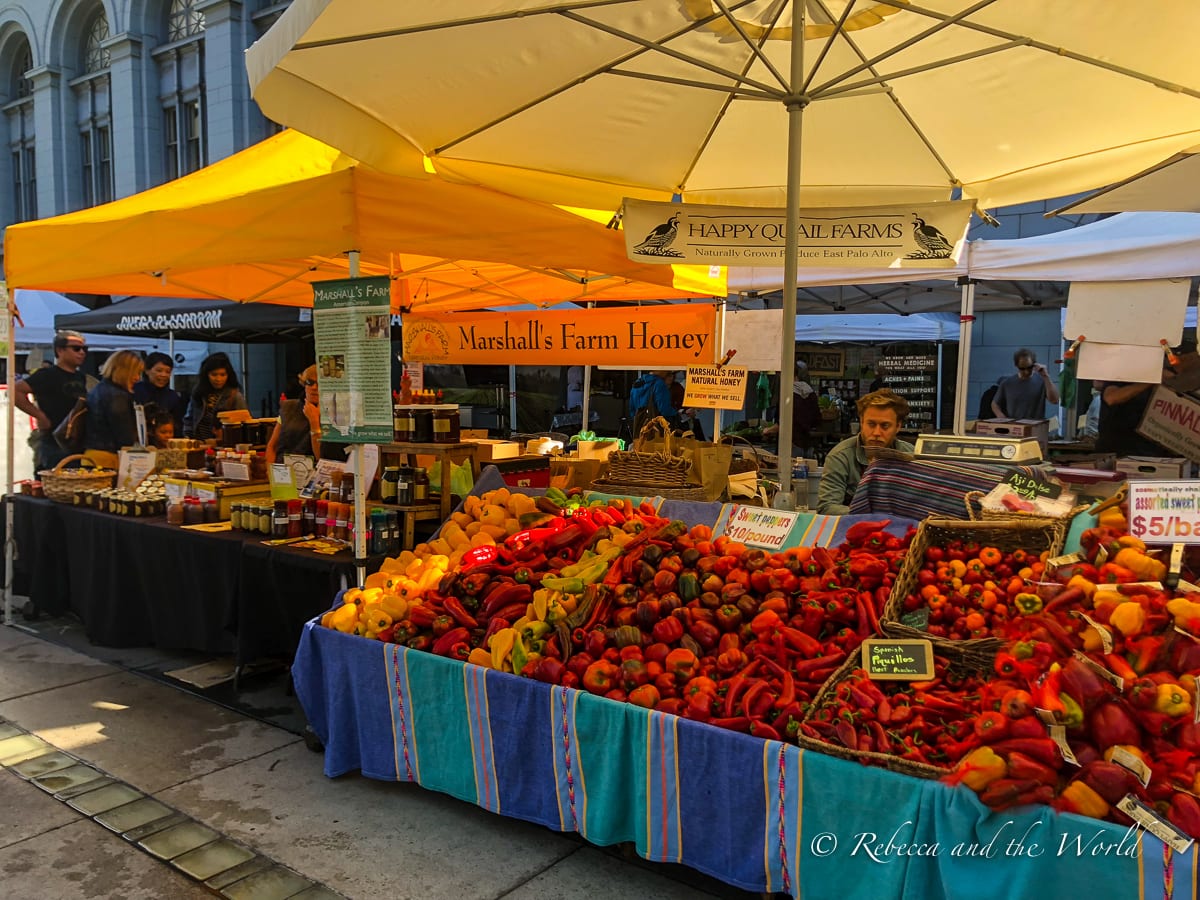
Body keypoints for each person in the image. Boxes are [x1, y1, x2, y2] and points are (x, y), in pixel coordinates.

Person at [816, 389, 914, 516]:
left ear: (898, 426)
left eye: (885, 426)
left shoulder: (911, 456)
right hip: (852, 530)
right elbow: (826, 508)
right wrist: (873, 516)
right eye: (871, 424)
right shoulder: (840, 456)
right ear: (861, 422)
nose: (877, 433)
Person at [1095, 340, 1200, 456]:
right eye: (1192, 358)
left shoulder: (1178, 380)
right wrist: (1154, 379)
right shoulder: (1125, 375)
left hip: (1156, 452)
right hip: (1119, 451)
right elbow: (1112, 398)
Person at [14, 330, 89, 471]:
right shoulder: (47, 375)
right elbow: (16, 391)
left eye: (84, 349)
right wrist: (39, 416)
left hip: (75, 441)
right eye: (76, 349)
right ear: (60, 350)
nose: (82, 353)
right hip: (53, 441)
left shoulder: (80, 377)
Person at [83, 350, 145, 468]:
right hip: (108, 459)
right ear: (124, 371)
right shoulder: (118, 396)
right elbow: (124, 436)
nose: (137, 378)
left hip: (91, 455)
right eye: (135, 373)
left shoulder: (98, 389)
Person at [266, 365, 325, 464]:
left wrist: (314, 422)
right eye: (309, 382)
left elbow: (321, 457)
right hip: (283, 471)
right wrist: (270, 471)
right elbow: (272, 446)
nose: (314, 387)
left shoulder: (335, 414)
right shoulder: (288, 407)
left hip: (313, 473)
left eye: (320, 383)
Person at [184, 351, 247, 441]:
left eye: (223, 375)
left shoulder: (235, 396)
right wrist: (188, 438)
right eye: (214, 375)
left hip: (224, 445)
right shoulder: (199, 392)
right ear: (207, 375)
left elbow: (244, 423)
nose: (218, 379)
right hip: (199, 444)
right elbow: (189, 419)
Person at [991, 349, 1059, 419]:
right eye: (1022, 368)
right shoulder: (1007, 383)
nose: (1026, 372)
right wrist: (1000, 415)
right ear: (1016, 366)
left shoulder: (1042, 381)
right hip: (1015, 426)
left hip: (1035, 426)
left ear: (1034, 365)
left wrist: (1046, 376)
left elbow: (1055, 400)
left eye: (1029, 368)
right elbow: (995, 403)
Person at [133, 351, 184, 434]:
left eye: (168, 372)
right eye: (159, 370)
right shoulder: (135, 390)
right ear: (147, 370)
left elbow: (178, 425)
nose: (163, 375)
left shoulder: (173, 396)